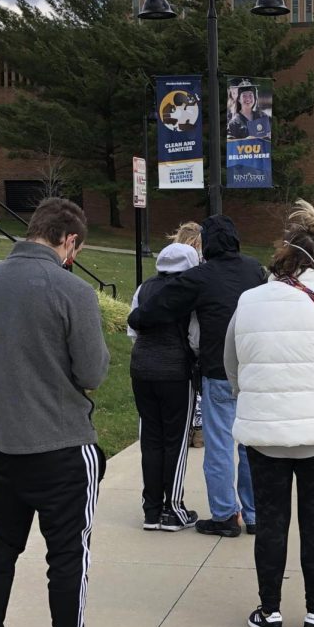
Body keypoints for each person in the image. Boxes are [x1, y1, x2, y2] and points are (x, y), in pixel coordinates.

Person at [0, 197, 120, 627]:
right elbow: (92, 372)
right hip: (65, 449)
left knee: (1, 548)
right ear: (69, 240)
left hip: (7, 447)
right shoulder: (71, 292)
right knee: (68, 557)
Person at [225, 199, 314, 627]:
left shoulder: (248, 300)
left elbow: (231, 366)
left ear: (278, 260)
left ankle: (269, 612)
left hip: (264, 435)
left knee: (271, 522)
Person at [128, 214, 267, 538]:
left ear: (208, 245)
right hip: (252, 370)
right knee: (250, 447)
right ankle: (255, 514)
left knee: (219, 445)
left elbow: (153, 310)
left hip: (218, 371)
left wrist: (137, 317)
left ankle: (224, 516)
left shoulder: (202, 276)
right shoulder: (255, 270)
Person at [129, 243, 201, 532]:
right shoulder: (190, 290)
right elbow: (195, 337)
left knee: (151, 438)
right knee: (176, 440)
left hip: (141, 369)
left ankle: (151, 510)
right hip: (175, 372)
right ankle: (173, 510)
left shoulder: (144, 289)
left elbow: (133, 329)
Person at [168, 222, 205, 448]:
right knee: (195, 378)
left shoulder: (168, 263)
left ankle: (190, 426)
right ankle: (198, 427)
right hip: (191, 330)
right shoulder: (199, 269)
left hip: (171, 331)